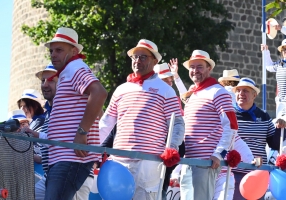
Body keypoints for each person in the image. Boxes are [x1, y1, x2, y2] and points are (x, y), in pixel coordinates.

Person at [99, 39, 185, 200]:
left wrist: (171, 148)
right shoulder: (121, 90)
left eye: (143, 57)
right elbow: (106, 123)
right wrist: (93, 147)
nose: (137, 60)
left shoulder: (166, 90)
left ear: (155, 61)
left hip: (148, 162)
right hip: (118, 161)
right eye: (135, 57)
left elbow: (178, 124)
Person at [43, 27, 107, 200]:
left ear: (74, 51)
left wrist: (82, 132)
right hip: (66, 156)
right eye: (51, 50)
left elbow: (99, 93)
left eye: (59, 50)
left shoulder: (75, 67)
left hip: (70, 157)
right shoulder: (68, 71)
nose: (53, 54)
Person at [180, 50, 238, 200]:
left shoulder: (218, 92)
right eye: (192, 67)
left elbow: (231, 126)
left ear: (209, 69)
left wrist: (219, 153)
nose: (195, 71)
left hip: (206, 162)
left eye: (199, 66)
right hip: (188, 161)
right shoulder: (194, 95)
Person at [231, 77, 277, 199]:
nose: (241, 94)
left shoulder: (264, 116)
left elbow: (275, 144)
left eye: (245, 90)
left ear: (254, 95)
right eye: (238, 90)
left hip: (257, 175)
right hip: (233, 174)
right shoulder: (229, 114)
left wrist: (281, 127)